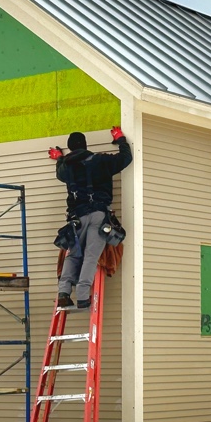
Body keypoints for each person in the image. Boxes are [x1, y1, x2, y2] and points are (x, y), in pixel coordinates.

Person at [52, 126, 132, 309]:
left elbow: (60, 169)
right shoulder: (100, 161)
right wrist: (120, 139)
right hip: (97, 215)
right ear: (85, 145)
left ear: (70, 148)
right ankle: (82, 296)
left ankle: (63, 292)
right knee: (90, 255)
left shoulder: (64, 167)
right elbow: (125, 158)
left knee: (73, 255)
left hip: (76, 219)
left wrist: (58, 157)